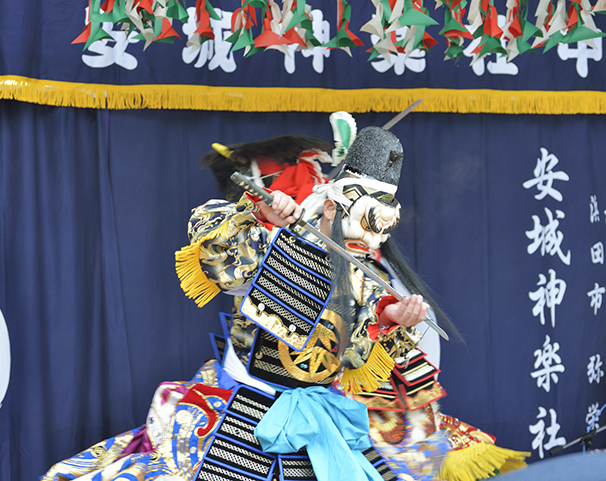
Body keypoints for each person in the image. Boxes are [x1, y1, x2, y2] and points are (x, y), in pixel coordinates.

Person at [41, 115, 528, 481]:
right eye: (366, 223)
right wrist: (259, 217)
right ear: (331, 205)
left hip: (325, 418)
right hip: (246, 411)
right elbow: (215, 256)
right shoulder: (269, 242)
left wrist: (391, 320)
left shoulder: (361, 276)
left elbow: (353, 360)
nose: (373, 242)